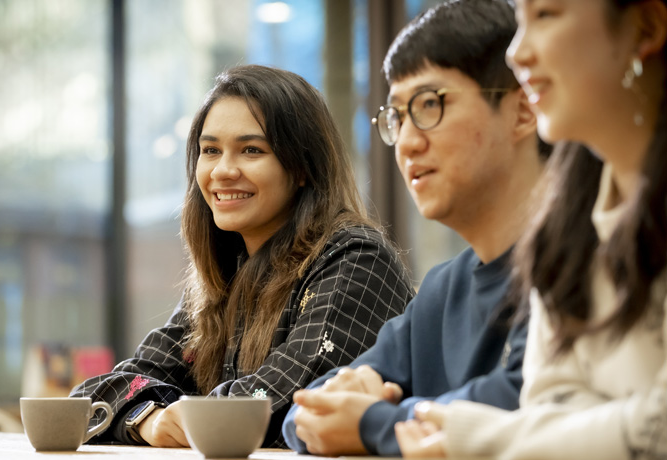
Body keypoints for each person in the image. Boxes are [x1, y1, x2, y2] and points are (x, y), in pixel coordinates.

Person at [70, 65, 414, 448]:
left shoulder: (355, 259)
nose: (223, 170)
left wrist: (171, 415)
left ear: (301, 167)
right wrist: (145, 419)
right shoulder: (226, 273)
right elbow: (93, 398)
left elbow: (268, 407)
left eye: (252, 150)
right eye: (211, 150)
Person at [394, 0, 667, 458]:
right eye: (519, 21)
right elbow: (549, 404)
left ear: (647, 25)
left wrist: (473, 437)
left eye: (546, 15)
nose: (517, 54)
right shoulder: (565, 225)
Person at [282, 0, 549, 456]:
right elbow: (303, 413)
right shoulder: (444, 289)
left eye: (429, 104)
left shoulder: (580, 255)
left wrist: (373, 423)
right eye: (397, 117)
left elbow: (527, 405)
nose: (406, 141)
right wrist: (349, 402)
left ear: (522, 110)